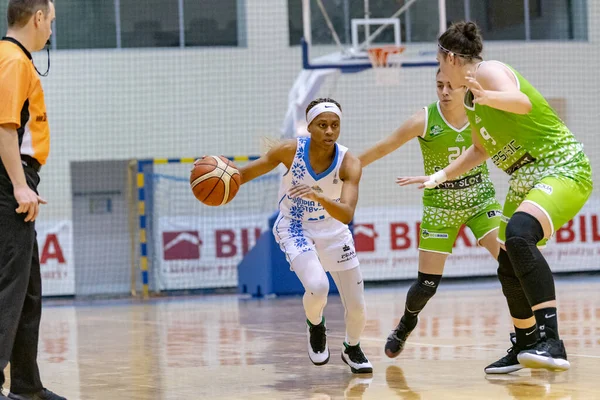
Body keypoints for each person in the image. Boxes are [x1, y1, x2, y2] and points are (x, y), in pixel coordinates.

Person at [398, 21, 593, 374]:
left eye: (440, 62)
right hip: (524, 178)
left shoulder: (489, 72)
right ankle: (526, 343)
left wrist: (490, 97)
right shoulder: (471, 99)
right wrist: (440, 176)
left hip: (559, 166)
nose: (439, 71)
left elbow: (520, 103)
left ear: (452, 58)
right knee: (507, 263)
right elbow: (479, 148)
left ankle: (553, 342)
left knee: (519, 234)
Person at [206, 98, 372, 373]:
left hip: (333, 229)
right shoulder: (289, 151)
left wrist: (320, 198)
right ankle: (315, 326)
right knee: (318, 287)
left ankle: (351, 347)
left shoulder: (349, 163)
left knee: (357, 308)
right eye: (322, 125)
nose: (329, 131)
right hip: (295, 225)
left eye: (335, 125)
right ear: (309, 127)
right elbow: (247, 173)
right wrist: (221, 179)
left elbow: (346, 214)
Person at [359, 69, 502, 358]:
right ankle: (406, 323)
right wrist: (343, 170)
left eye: (451, 86)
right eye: (440, 85)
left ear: (466, 89)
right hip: (440, 207)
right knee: (426, 285)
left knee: (513, 261)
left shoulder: (482, 112)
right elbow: (384, 147)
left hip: (480, 200)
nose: (445, 91)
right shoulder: (424, 119)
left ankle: (530, 331)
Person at [0, 1, 66, 399]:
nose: (51, 32)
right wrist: (19, 185)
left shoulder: (14, 58)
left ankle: (26, 386)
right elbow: (5, 130)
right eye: (51, 22)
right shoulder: (12, 61)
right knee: (9, 287)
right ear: (38, 17)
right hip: (10, 180)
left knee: (27, 289)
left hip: (16, 179)